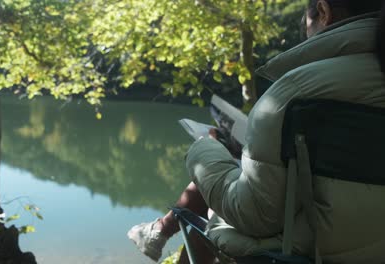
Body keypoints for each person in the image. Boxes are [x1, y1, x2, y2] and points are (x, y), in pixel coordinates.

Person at [128, 0, 385, 263]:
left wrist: (204, 148)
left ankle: (158, 230)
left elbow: (254, 216)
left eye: (305, 25)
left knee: (214, 191)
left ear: (323, 11)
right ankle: (157, 230)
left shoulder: (294, 94)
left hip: (309, 253)